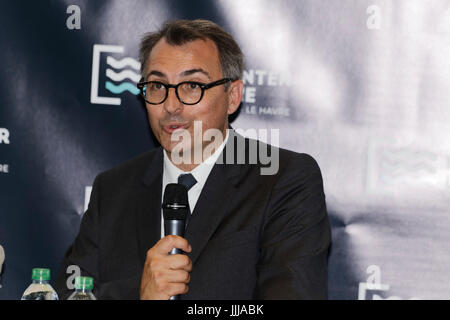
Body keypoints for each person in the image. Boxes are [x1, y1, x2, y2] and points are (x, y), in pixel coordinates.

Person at [54, 19, 331, 300]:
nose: (171, 105)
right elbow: (68, 294)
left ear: (232, 96)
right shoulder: (113, 189)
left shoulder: (281, 179)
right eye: (158, 86)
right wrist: (138, 293)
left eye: (191, 86)